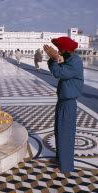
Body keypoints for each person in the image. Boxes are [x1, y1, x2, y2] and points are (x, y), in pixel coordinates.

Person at [43, 37, 84, 173]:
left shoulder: (75, 63)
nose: (59, 53)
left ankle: (66, 166)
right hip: (62, 101)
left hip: (68, 103)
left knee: (66, 133)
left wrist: (54, 59)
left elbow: (58, 72)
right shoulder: (69, 60)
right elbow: (57, 69)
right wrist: (53, 59)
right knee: (59, 131)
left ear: (67, 50)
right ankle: (60, 157)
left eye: (60, 50)